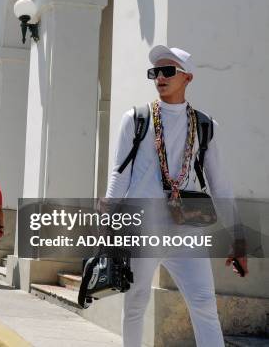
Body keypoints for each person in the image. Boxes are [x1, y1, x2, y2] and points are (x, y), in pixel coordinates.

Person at [105, 46, 247, 347]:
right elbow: (120, 173)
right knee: (135, 302)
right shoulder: (136, 118)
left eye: (168, 71)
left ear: (187, 77)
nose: (160, 77)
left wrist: (238, 238)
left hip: (187, 228)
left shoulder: (206, 125)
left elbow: (220, 185)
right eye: (155, 72)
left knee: (204, 302)